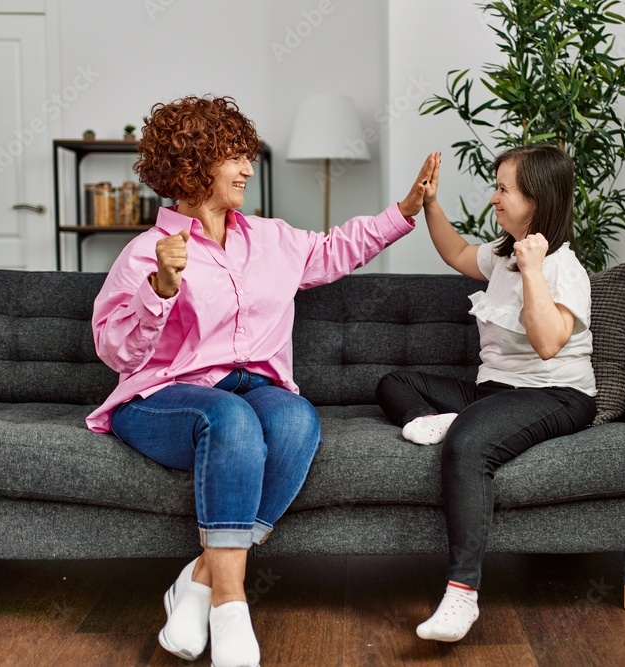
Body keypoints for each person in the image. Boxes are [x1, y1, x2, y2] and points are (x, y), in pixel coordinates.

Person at [86, 95, 433, 667]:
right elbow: (116, 353)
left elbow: (335, 249)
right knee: (230, 419)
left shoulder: (271, 239)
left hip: (253, 385)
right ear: (196, 163)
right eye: (234, 157)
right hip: (162, 398)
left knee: (296, 418)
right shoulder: (147, 252)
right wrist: (161, 290)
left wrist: (403, 209)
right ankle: (229, 603)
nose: (249, 168)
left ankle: (196, 580)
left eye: (248, 156)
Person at [376, 146, 597, 642]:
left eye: (504, 189)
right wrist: (430, 202)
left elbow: (546, 345)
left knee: (470, 443)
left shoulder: (565, 269)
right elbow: (455, 251)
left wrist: (535, 270)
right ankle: (434, 419)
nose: (494, 198)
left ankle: (462, 595)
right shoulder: (502, 255)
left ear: (537, 199)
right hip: (494, 390)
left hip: (555, 393)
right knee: (396, 382)